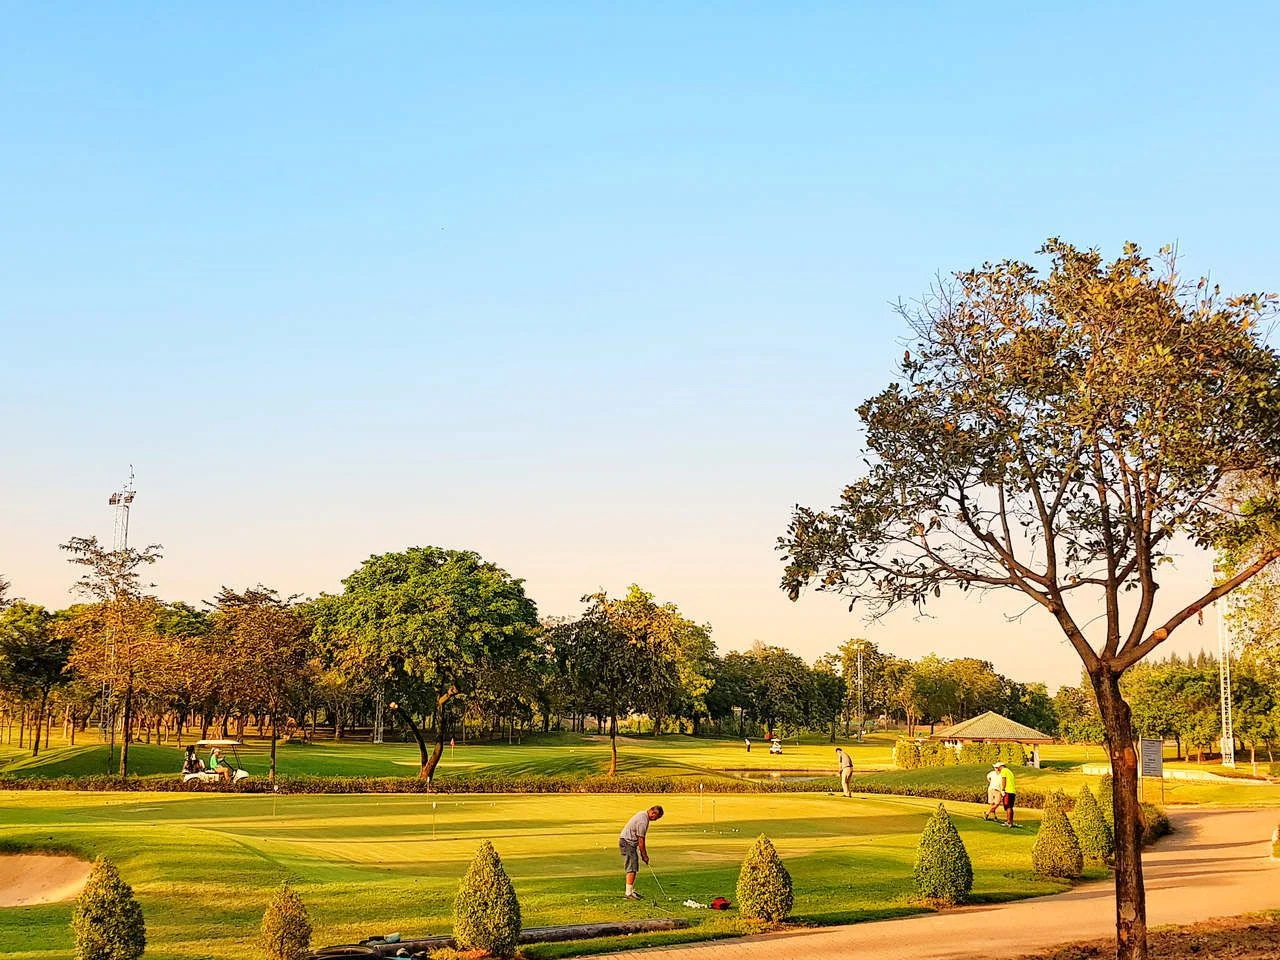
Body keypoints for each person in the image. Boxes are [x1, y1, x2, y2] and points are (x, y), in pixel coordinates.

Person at [618, 805, 664, 900]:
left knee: (633, 865)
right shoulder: (643, 820)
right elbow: (641, 840)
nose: (656, 820)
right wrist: (644, 856)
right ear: (653, 813)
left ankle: (630, 891)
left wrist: (642, 854)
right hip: (627, 842)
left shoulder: (642, 815)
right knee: (632, 867)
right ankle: (628, 893)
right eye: (657, 817)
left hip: (628, 841)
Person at [997, 761, 1018, 826]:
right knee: (1010, 807)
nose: (998, 769)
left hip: (1007, 791)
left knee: (1008, 807)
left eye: (998, 767)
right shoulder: (1009, 771)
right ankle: (1010, 822)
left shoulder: (1003, 771)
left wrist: (1003, 789)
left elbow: (1004, 780)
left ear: (1001, 766)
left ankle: (1008, 822)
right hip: (1012, 791)